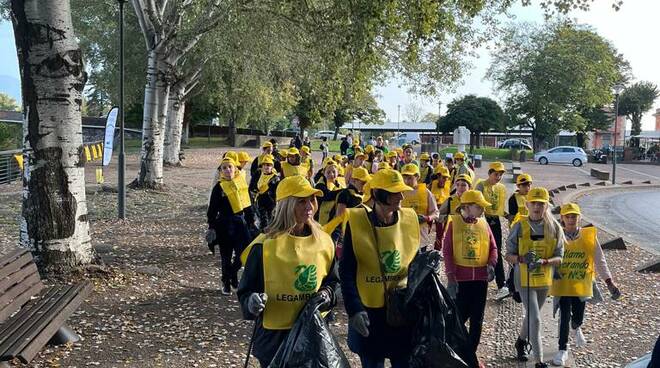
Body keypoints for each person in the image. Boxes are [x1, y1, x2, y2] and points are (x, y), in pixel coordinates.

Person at [237, 175, 339, 367]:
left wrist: (328, 294)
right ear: (286, 205)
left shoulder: (325, 241)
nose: (309, 206)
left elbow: (333, 282)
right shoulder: (263, 246)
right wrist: (251, 302)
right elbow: (246, 290)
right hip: (274, 339)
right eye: (301, 201)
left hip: (312, 335)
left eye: (311, 199)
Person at [339, 168, 420, 367]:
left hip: (401, 311)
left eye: (401, 191)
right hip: (369, 312)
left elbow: (415, 267)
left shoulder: (409, 219)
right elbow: (346, 270)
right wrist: (354, 309)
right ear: (377, 194)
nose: (401, 196)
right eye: (394, 192)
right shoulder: (357, 222)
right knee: (372, 362)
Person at [550, 203, 621, 366]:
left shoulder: (589, 236)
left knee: (578, 317)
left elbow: (600, 260)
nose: (570, 219)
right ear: (562, 218)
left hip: (581, 284)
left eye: (574, 216)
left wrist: (609, 282)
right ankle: (562, 349)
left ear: (579, 218)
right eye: (567, 216)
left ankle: (576, 327)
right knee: (564, 314)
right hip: (562, 284)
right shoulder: (555, 236)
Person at [505, 187, 565, 367]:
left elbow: (559, 257)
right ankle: (538, 360)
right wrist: (522, 259)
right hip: (524, 278)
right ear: (527, 204)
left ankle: (521, 341)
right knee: (536, 318)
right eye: (534, 203)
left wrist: (545, 261)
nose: (537, 207)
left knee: (532, 316)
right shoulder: (519, 226)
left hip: (544, 279)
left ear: (546, 205)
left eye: (541, 203)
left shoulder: (554, 227)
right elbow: (508, 255)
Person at [442, 190, 498, 367]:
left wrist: (491, 264)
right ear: (466, 207)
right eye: (478, 206)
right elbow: (448, 251)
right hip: (461, 281)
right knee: (458, 320)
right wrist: (451, 277)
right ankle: (458, 353)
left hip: (480, 280)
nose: (482, 210)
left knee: (477, 320)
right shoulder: (454, 224)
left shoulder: (484, 224)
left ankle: (470, 357)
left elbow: (494, 248)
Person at [207, 156, 255, 295]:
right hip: (224, 225)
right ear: (221, 171)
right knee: (226, 256)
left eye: (230, 167)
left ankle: (231, 274)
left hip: (240, 224)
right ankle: (226, 282)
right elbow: (212, 210)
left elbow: (248, 205)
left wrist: (251, 222)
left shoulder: (241, 184)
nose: (228, 170)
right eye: (224, 168)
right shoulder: (219, 187)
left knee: (243, 254)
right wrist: (211, 226)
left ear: (235, 169)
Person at [475, 162, 509, 300]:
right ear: (489, 173)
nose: (498, 176)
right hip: (482, 221)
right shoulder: (481, 185)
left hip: (495, 222)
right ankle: (479, 280)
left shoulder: (500, 188)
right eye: (496, 174)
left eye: (500, 174)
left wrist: (508, 216)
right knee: (481, 250)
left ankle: (502, 285)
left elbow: (500, 208)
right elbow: (476, 202)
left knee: (497, 251)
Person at [401, 163, 439, 249]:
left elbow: (436, 213)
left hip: (421, 237)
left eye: (410, 178)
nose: (406, 181)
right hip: (404, 236)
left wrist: (427, 218)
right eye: (404, 177)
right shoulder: (400, 192)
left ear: (417, 177)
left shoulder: (426, 192)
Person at [436, 174, 472, 251]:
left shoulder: (474, 201)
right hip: (453, 235)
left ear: (469, 187)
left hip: (469, 235)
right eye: (458, 185)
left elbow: (481, 219)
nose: (460, 188)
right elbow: (438, 215)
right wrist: (447, 218)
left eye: (463, 185)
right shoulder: (450, 200)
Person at [249, 155, 280, 230]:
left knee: (270, 221)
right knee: (262, 221)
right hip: (259, 202)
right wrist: (254, 191)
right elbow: (251, 186)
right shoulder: (258, 174)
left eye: (269, 165)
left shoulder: (275, 178)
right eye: (264, 165)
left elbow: (278, 193)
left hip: (271, 203)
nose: (266, 167)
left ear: (272, 167)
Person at [314, 161, 343, 226]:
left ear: (338, 173)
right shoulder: (320, 185)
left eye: (334, 172)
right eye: (328, 172)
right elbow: (327, 196)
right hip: (320, 220)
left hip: (333, 218)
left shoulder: (339, 185)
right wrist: (343, 191)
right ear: (324, 173)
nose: (331, 174)